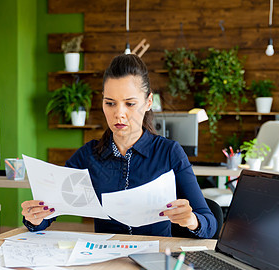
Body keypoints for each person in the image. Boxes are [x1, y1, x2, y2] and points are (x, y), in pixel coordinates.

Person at [21, 54, 217, 238]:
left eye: (130, 104)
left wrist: (192, 220)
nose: (119, 114)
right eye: (110, 103)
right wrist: (34, 218)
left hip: (154, 261)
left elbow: (209, 223)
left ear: (148, 102)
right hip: (106, 260)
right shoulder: (87, 156)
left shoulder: (169, 153)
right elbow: (48, 214)